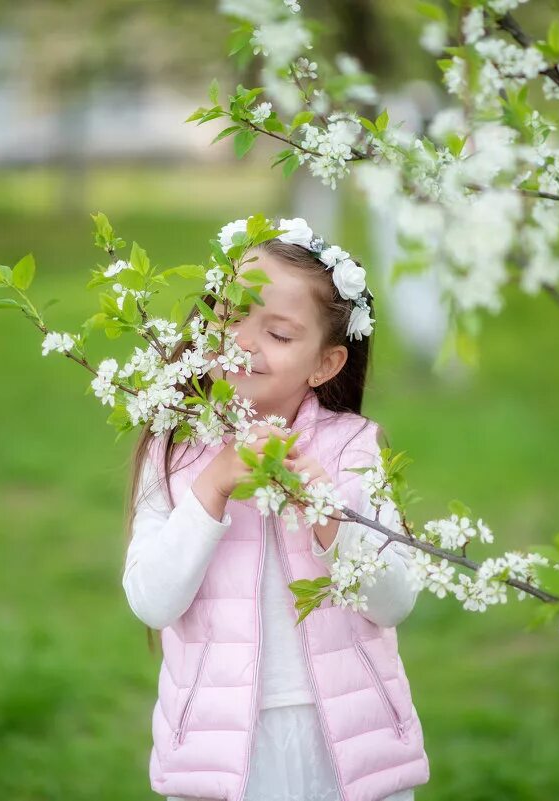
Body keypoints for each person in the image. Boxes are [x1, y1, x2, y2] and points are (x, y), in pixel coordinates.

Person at [121, 217, 430, 801]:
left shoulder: (354, 449)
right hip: (220, 745)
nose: (242, 341)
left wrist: (332, 520)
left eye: (280, 335)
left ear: (325, 364)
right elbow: (152, 601)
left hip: (345, 737)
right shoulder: (174, 449)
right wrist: (209, 490)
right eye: (231, 313)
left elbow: (394, 604)